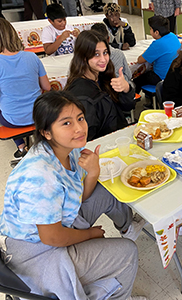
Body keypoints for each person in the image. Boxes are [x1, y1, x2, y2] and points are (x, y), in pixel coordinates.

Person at [0, 91, 147, 300]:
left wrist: (93, 172)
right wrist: (90, 235)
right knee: (128, 253)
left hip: (54, 227)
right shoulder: (40, 177)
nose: (80, 128)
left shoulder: (67, 149)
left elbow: (80, 196)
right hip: (34, 251)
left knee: (106, 190)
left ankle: (128, 227)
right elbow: (51, 237)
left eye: (80, 118)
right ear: (47, 132)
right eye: (66, 123)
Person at [64, 30, 137, 141]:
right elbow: (86, 139)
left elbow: (127, 107)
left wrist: (126, 89)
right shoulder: (82, 96)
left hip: (118, 138)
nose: (103, 59)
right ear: (83, 56)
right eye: (96, 54)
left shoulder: (104, 76)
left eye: (105, 52)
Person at [0, 18, 51, 159]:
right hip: (38, 114)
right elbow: (47, 86)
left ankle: (21, 147)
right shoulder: (32, 57)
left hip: (12, 120)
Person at [133, 15, 181, 94]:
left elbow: (140, 60)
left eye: (151, 29)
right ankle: (149, 99)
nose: (150, 31)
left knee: (138, 79)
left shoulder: (158, 44)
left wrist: (145, 52)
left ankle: (133, 100)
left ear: (156, 32)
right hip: (174, 75)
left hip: (161, 77)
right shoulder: (173, 36)